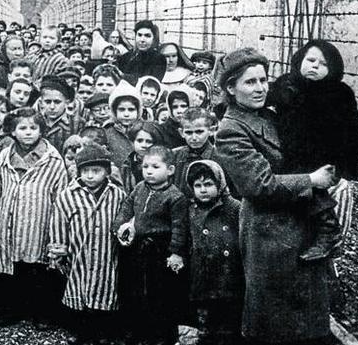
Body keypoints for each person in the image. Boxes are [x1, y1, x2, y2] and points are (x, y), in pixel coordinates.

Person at [215, 47, 337, 345]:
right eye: (249, 82)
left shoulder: (271, 115)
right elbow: (260, 186)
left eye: (263, 80)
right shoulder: (231, 130)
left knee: (306, 321)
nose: (259, 88)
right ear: (231, 88)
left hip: (302, 224)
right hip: (270, 234)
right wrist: (312, 179)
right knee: (276, 325)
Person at [267, 40, 358, 261]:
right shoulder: (287, 84)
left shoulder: (339, 93)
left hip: (324, 155)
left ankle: (328, 229)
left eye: (323, 64)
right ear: (300, 60)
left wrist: (347, 169)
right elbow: (264, 99)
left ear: (333, 70)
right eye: (310, 60)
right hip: (289, 151)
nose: (314, 66)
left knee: (312, 180)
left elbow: (352, 132)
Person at [0, 107, 69, 327]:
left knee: (39, 268)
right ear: (13, 132)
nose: (28, 132)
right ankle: (13, 309)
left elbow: (60, 194)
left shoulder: (52, 160)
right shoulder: (5, 156)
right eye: (22, 128)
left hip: (39, 221)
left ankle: (42, 312)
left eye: (33, 128)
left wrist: (56, 228)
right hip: (11, 221)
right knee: (13, 266)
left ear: (41, 130)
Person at [48, 142, 127, 344]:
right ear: (78, 171)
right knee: (80, 289)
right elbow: (58, 221)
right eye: (86, 171)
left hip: (106, 253)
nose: (90, 176)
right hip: (79, 253)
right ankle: (84, 332)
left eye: (96, 171)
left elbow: (125, 219)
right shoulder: (68, 195)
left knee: (105, 290)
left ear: (107, 172)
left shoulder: (117, 194)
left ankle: (103, 332)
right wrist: (59, 249)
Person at [114, 145, 188, 345]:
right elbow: (126, 208)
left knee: (159, 294)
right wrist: (120, 226)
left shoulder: (175, 197)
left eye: (155, 166)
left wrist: (176, 253)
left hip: (159, 252)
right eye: (146, 166)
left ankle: (159, 335)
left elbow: (180, 228)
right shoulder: (139, 188)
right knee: (133, 290)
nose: (149, 171)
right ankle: (135, 330)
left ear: (170, 170)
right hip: (136, 249)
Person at [185, 160, 244, 345]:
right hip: (201, 278)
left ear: (220, 183)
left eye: (209, 184)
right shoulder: (190, 210)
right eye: (198, 185)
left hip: (229, 278)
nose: (203, 190)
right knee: (205, 327)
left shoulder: (234, 208)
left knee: (229, 326)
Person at [173, 108, 218, 195]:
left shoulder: (220, 157)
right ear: (181, 132)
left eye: (199, 132)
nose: (194, 138)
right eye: (189, 133)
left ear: (211, 131)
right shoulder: (174, 155)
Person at [38, 74, 80, 151]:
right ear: (41, 103)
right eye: (47, 102)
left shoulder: (76, 124)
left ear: (66, 103)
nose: (52, 107)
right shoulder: (36, 121)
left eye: (57, 102)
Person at [105, 80, 142, 167]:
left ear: (138, 110)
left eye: (131, 109)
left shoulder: (144, 130)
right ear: (114, 111)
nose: (126, 114)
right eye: (121, 109)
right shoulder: (107, 131)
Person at [120, 120, 164, 194]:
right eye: (139, 141)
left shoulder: (162, 162)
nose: (144, 145)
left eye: (149, 141)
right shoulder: (128, 163)